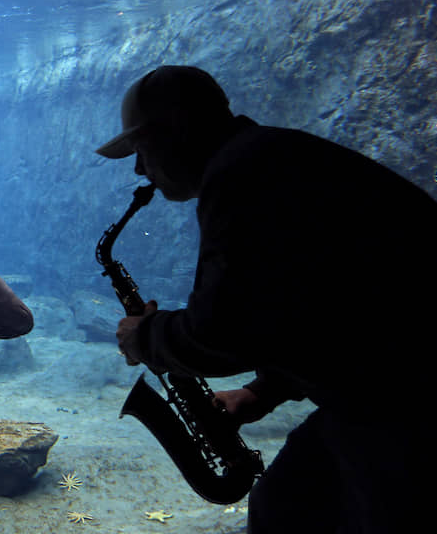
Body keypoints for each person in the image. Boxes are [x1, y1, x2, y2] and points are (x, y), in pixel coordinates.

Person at [96, 65, 436, 533]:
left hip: (406, 408)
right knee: (284, 502)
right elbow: (321, 310)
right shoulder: (274, 157)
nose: (138, 168)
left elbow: (222, 330)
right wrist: (264, 391)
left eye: (140, 149)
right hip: (381, 392)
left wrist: (146, 338)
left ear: (176, 127)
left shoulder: (241, 175)